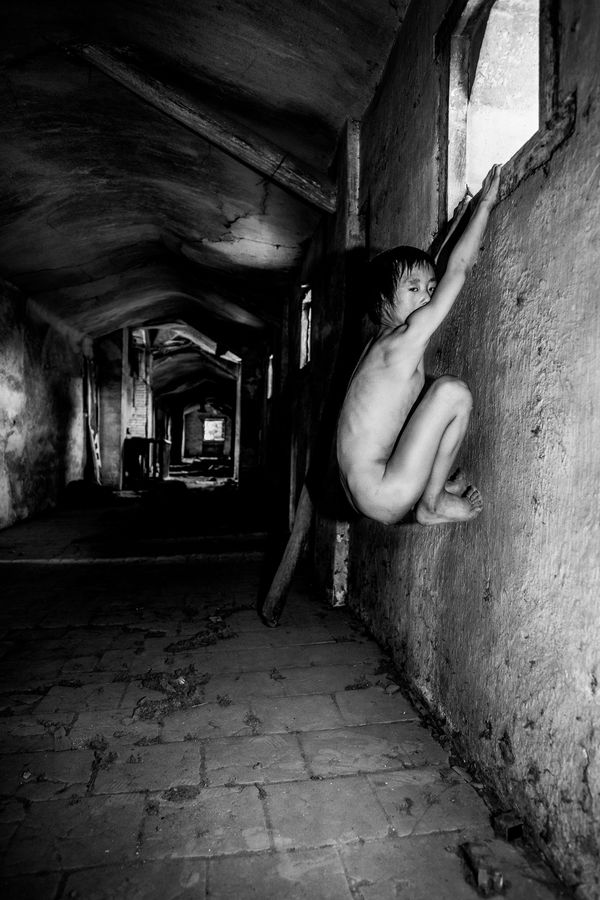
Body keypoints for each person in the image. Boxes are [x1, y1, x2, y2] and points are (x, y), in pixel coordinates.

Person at [336, 164, 501, 526]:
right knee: (452, 393)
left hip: (362, 488)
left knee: (429, 401)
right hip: (383, 491)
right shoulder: (406, 338)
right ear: (382, 301)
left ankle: (430, 486)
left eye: (430, 289)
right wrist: (485, 205)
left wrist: (460, 219)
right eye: (413, 289)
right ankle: (431, 503)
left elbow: (438, 265)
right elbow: (458, 269)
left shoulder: (379, 345)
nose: (427, 297)